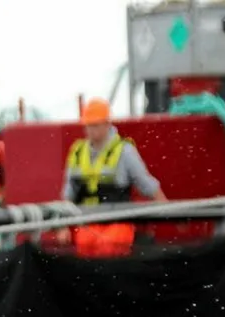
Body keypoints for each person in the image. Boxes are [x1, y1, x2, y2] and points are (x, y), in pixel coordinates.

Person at [56, 98, 167, 257]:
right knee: (85, 247)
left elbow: (147, 185)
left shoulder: (125, 151)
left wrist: (168, 211)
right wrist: (62, 226)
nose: (91, 130)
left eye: (95, 125)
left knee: (110, 246)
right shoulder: (77, 152)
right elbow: (68, 193)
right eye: (88, 125)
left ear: (107, 124)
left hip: (118, 221)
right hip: (88, 222)